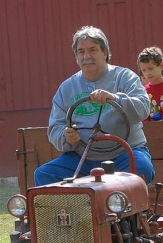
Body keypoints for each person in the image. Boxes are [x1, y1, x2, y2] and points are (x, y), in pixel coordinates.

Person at [34, 26, 155, 186]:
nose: (86, 56)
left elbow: (143, 107)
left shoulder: (124, 77)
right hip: (82, 157)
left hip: (125, 152)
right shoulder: (67, 88)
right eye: (81, 52)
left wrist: (115, 98)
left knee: (141, 168)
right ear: (76, 57)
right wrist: (67, 136)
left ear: (105, 53)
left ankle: (121, 209)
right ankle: (74, 211)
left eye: (93, 50)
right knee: (44, 175)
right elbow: (55, 127)